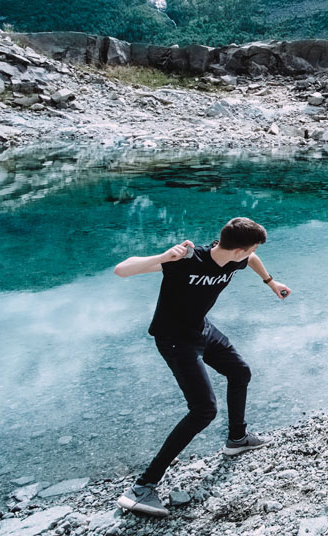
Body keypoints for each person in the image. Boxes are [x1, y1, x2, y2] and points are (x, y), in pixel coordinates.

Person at [112, 217, 290, 517]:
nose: (252, 253)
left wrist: (271, 282)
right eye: (250, 249)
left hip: (201, 330)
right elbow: (122, 269)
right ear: (237, 249)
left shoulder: (236, 259)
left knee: (239, 372)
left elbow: (253, 257)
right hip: (173, 340)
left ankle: (237, 438)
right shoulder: (186, 259)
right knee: (203, 410)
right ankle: (142, 488)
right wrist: (163, 257)